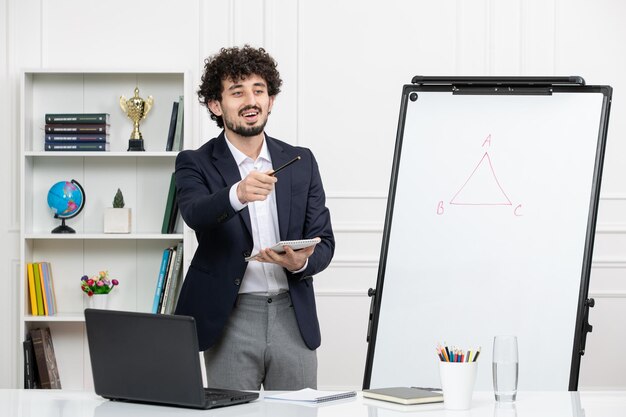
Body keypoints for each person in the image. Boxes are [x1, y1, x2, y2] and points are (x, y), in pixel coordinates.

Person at [174, 45, 335, 391]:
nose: (251, 100)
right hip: (229, 318)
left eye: (259, 90)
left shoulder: (301, 161)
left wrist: (298, 264)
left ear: (271, 100)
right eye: (237, 92)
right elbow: (194, 213)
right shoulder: (195, 162)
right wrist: (238, 194)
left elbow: (325, 241)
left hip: (293, 315)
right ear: (216, 105)